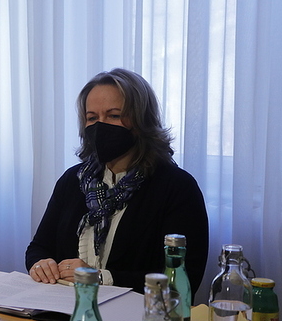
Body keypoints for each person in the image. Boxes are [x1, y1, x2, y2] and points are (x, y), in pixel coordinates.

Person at [25, 69, 208, 294]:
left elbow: (182, 279)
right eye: (92, 118)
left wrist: (100, 278)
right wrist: (40, 264)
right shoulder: (73, 181)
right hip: (62, 309)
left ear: (141, 120)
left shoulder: (177, 187)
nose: (100, 126)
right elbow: (39, 247)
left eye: (113, 115)